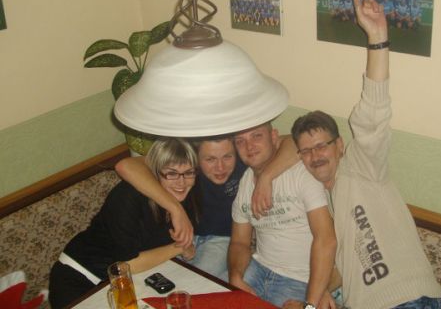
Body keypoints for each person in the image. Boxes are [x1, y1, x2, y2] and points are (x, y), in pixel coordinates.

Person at [289, 0, 441, 309]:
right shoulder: (324, 202)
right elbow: (345, 269)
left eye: (322, 146)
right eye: (306, 151)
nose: (315, 156)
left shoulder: (361, 166)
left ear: (340, 145)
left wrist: (377, 38)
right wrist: (318, 294)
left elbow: (373, 112)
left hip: (408, 299)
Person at [115, 135, 299, 282]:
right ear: (196, 159)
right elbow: (126, 165)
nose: (220, 167)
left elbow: (295, 142)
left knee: (194, 285)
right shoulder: (188, 165)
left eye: (227, 157)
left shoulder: (242, 156)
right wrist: (176, 209)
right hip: (180, 238)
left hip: (221, 240)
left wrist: (266, 178)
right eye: (210, 159)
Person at [48, 138, 198, 308]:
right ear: (155, 173)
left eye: (189, 173)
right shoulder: (127, 197)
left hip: (128, 281)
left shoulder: (186, 198)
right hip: (79, 278)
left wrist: (186, 248)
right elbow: (127, 265)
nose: (181, 182)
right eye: (171, 174)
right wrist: (179, 247)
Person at [228, 123, 337, 309]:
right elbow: (239, 242)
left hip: (301, 279)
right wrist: (235, 276)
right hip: (258, 268)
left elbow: (326, 239)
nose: (249, 146)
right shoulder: (245, 182)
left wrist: (310, 304)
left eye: (256, 136)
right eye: (240, 141)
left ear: (274, 137)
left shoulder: (301, 173)